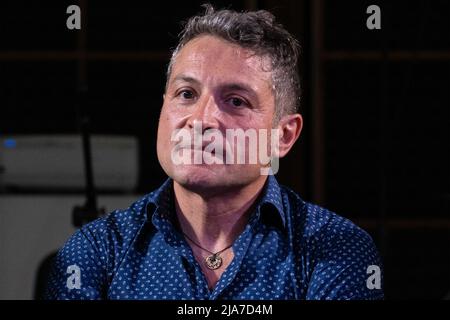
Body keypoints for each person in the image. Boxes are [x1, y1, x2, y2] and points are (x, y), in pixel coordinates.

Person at [45, 5, 384, 300]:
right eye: (186, 94)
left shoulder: (335, 249)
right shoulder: (96, 252)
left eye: (236, 101)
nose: (201, 119)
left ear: (283, 136)